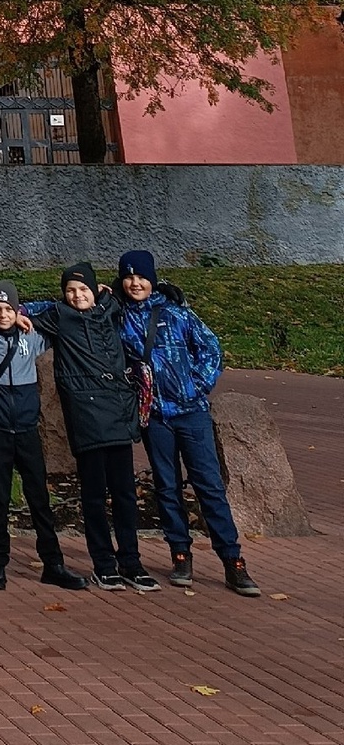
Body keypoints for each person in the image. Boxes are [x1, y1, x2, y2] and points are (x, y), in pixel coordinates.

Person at [114, 249, 259, 597]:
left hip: (191, 412)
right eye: (129, 277)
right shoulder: (117, 317)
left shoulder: (177, 314)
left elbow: (211, 348)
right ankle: (180, 554)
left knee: (209, 485)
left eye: (141, 277)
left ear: (152, 279)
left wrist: (197, 384)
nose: (135, 283)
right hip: (155, 417)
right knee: (167, 487)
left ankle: (233, 560)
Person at [26, 262, 157, 592]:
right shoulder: (58, 316)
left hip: (116, 414)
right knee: (94, 495)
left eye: (83, 289)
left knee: (126, 494)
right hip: (86, 418)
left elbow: (139, 292)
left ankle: (132, 561)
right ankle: (103, 563)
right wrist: (16, 313)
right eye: (70, 290)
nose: (76, 295)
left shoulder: (111, 309)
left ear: (95, 290)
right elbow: (23, 309)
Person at [0, 281, 85, 593]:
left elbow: (58, 313)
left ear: (16, 309)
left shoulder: (31, 335)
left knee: (40, 499)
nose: (2, 315)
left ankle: (53, 563)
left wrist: (29, 315)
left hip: (26, 430)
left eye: (8, 309)